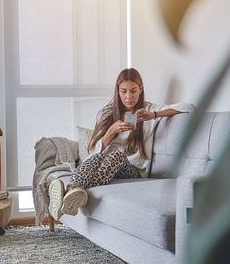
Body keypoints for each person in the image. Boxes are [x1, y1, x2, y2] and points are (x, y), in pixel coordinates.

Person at [48, 68, 194, 220]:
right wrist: (111, 131)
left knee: (116, 156)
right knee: (97, 157)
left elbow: (189, 108)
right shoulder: (108, 114)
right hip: (106, 169)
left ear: (141, 89)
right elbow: (93, 153)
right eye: (123, 91)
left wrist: (153, 115)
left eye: (133, 91)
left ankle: (68, 192)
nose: (128, 97)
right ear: (117, 91)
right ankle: (73, 189)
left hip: (135, 172)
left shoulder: (149, 110)